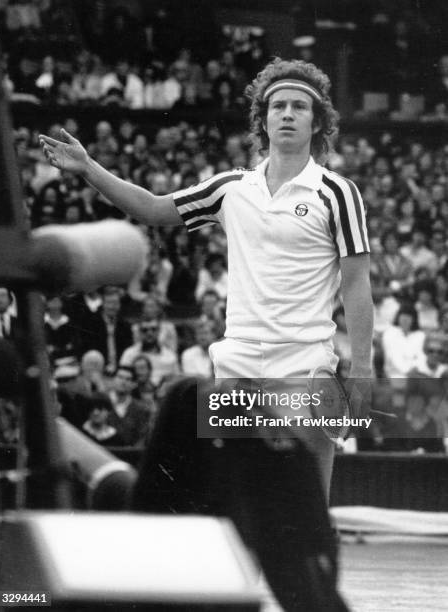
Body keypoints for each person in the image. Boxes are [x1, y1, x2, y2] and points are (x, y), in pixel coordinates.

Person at [40, 57, 372, 610]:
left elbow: (357, 285)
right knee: (228, 506)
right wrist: (89, 167)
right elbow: (151, 209)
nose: (288, 114)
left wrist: (360, 368)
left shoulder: (338, 192)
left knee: (307, 509)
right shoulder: (230, 189)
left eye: (300, 107)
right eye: (277, 106)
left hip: (306, 367)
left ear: (319, 123)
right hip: (236, 364)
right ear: (262, 121)